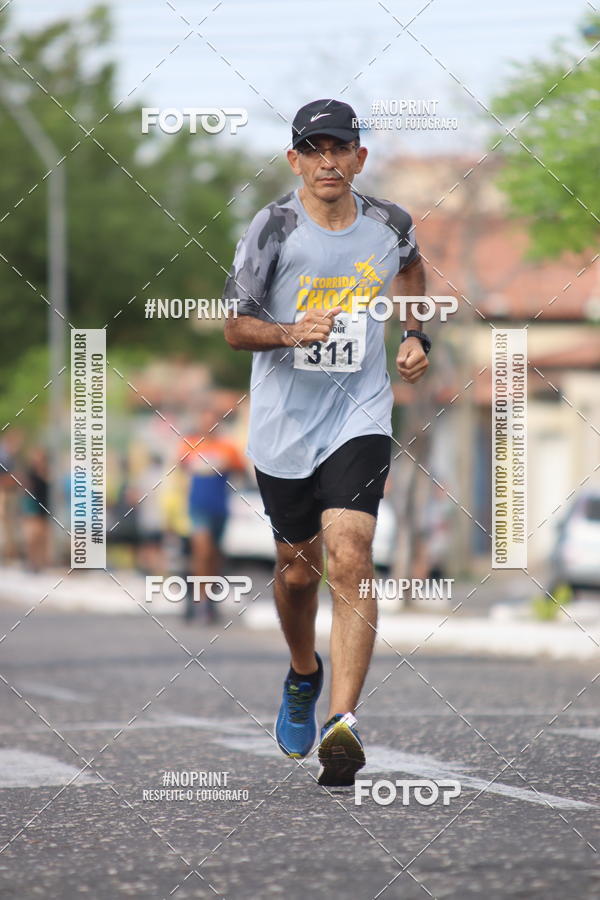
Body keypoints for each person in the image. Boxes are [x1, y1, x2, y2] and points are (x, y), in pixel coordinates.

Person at [223, 99, 430, 786]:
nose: (327, 161)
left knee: (350, 551)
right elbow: (235, 326)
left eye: (339, 148)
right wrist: (288, 332)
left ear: (359, 157)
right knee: (297, 572)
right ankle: (304, 673)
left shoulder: (388, 223)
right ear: (294, 161)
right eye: (312, 150)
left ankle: (343, 723)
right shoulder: (274, 227)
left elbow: (412, 271)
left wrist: (414, 335)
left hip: (358, 413)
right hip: (283, 424)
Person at [179, 406, 246, 623]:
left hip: (219, 507)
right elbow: (180, 467)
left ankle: (209, 598)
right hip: (197, 507)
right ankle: (199, 600)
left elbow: (241, 470)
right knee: (202, 550)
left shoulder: (227, 448)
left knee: (215, 555)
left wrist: (228, 466)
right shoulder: (189, 444)